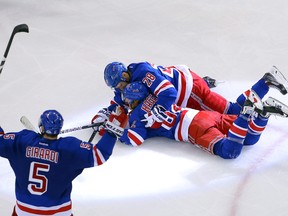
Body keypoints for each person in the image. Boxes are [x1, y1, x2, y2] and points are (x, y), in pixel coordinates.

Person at [106, 81, 288, 159]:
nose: (127, 103)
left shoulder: (136, 114)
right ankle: (263, 114)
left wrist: (117, 132)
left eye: (128, 100)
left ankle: (248, 113)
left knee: (230, 151)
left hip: (194, 128)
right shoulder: (156, 94)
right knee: (249, 139)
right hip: (202, 114)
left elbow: (135, 139)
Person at [0, 109, 127, 216]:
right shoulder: (68, 148)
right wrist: (112, 132)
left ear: (42, 127)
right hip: (59, 212)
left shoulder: (22, 141)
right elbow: (100, 154)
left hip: (25, 210)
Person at [91, 62, 288, 130]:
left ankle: (267, 82)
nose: (119, 88)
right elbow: (119, 102)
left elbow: (169, 93)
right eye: (115, 86)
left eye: (119, 83)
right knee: (231, 111)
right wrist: (105, 114)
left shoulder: (142, 72)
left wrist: (158, 111)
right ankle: (265, 83)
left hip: (190, 90)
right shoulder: (124, 82)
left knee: (234, 113)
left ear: (125, 74)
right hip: (185, 82)